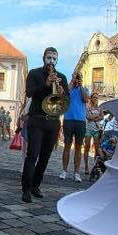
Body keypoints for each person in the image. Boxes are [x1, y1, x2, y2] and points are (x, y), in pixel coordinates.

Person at [21, 46, 68, 202]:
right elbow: (29, 92)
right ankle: (26, 189)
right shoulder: (34, 73)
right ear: (43, 58)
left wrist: (61, 92)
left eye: (54, 58)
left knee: (45, 157)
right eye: (49, 58)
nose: (51, 61)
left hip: (53, 121)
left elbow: (66, 101)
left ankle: (36, 185)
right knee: (32, 154)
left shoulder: (61, 77)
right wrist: (46, 84)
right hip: (36, 119)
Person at [60, 71, 90, 181]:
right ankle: (64, 171)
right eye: (76, 76)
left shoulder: (84, 88)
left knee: (78, 148)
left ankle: (77, 173)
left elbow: (86, 99)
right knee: (67, 146)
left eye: (79, 77)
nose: (77, 78)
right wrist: (72, 81)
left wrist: (81, 84)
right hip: (68, 120)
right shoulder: (69, 88)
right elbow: (64, 95)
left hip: (80, 121)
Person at [83, 92, 104, 176]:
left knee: (96, 149)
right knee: (87, 148)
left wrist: (94, 118)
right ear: (91, 98)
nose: (95, 99)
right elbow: (88, 117)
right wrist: (97, 117)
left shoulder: (100, 108)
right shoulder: (88, 107)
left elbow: (102, 117)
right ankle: (86, 166)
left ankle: (95, 167)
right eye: (94, 97)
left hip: (97, 129)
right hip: (89, 129)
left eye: (96, 97)